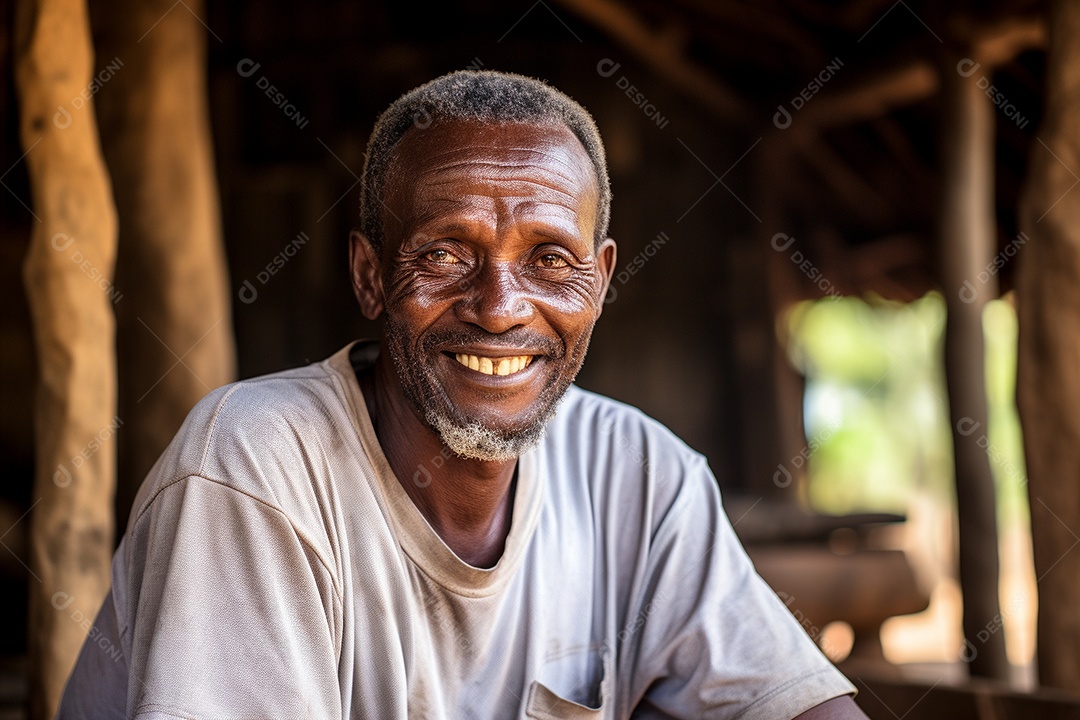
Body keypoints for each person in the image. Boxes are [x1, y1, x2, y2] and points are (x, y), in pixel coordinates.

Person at [57, 70, 867, 719]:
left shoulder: (641, 475)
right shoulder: (254, 464)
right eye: (446, 254)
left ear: (603, 279)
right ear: (371, 275)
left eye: (550, 258)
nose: (501, 307)